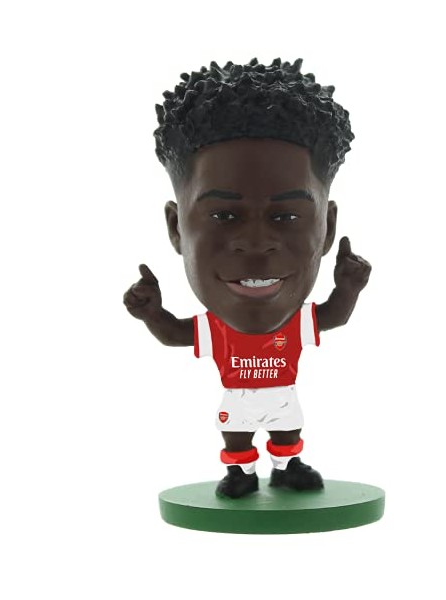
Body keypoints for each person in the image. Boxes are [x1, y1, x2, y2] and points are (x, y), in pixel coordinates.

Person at [123, 58, 372, 498]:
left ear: (327, 229)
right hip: (237, 400)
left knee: (287, 429)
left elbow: (334, 315)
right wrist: (151, 313)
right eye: (223, 215)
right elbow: (175, 334)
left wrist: (349, 286)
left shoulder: (295, 323)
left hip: (281, 397)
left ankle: (287, 466)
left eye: (287, 216)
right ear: (177, 228)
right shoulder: (216, 329)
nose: (256, 244)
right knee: (236, 436)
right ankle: (240, 472)